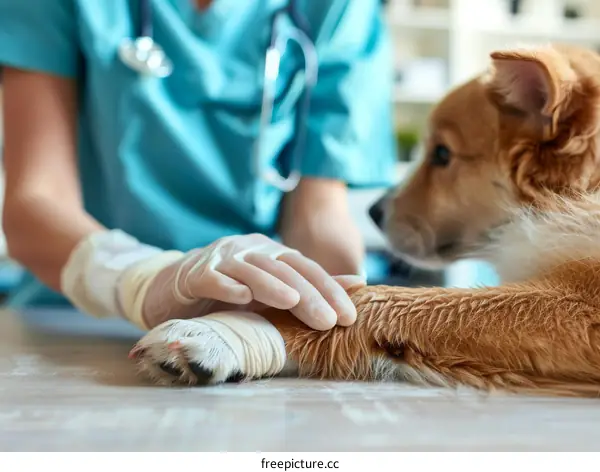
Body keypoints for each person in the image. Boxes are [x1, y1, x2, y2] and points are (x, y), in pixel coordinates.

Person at [0, 0, 397, 332]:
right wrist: (142, 280)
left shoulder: (339, 8)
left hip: (240, 326)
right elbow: (34, 202)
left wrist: (334, 308)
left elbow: (317, 218)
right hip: (72, 318)